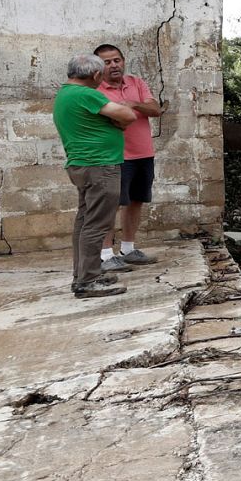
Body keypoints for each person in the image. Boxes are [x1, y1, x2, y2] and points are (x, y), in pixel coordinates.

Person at [53, 53, 137, 298]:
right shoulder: (87, 94)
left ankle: (82, 275)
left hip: (82, 165)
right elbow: (128, 116)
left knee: (84, 222)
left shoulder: (64, 93)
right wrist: (119, 119)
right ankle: (87, 281)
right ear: (96, 75)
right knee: (97, 224)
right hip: (99, 166)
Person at [94, 43, 164, 269]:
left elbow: (156, 110)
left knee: (136, 201)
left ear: (123, 61)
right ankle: (105, 255)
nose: (113, 65)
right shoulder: (95, 90)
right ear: (98, 67)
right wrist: (132, 110)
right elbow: (110, 121)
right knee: (111, 205)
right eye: (107, 62)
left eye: (117, 60)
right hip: (115, 156)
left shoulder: (136, 83)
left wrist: (133, 103)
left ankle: (128, 249)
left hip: (144, 153)